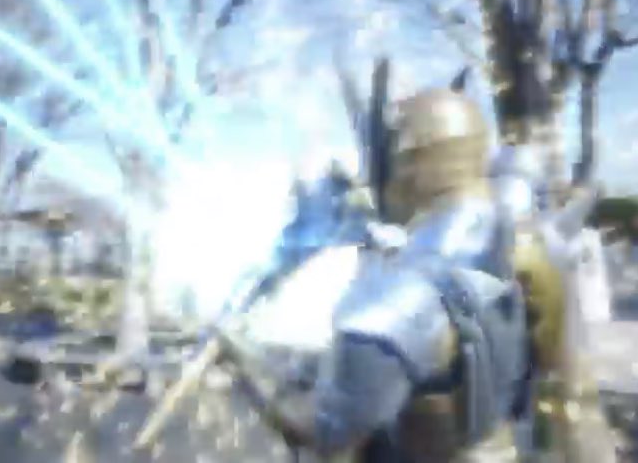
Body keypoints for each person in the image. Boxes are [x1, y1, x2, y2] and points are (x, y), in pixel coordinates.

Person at [218, 87, 536, 462]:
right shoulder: (517, 249)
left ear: (415, 165)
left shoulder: (397, 296)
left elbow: (326, 430)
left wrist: (248, 370)